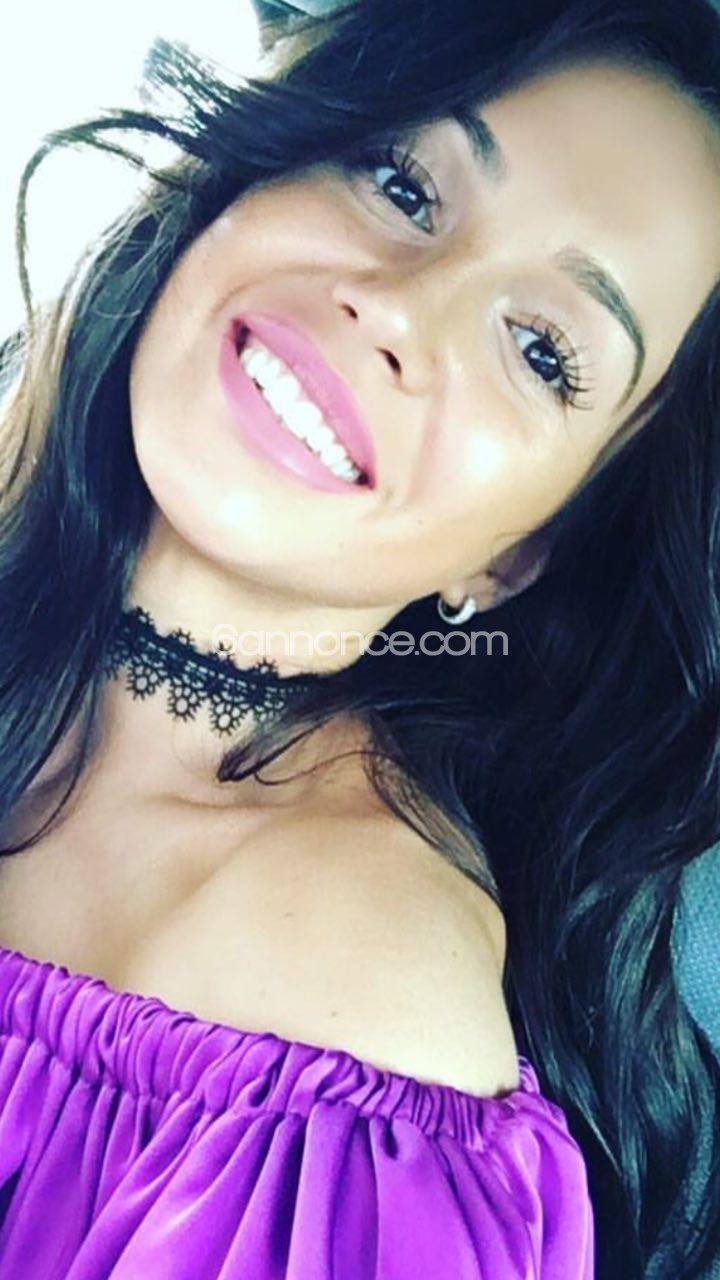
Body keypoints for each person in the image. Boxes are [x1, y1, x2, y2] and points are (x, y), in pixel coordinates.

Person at [0, 0, 719, 1275]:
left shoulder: (365, 1025)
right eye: (401, 182)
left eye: (542, 349)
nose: (401, 310)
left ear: (522, 551)